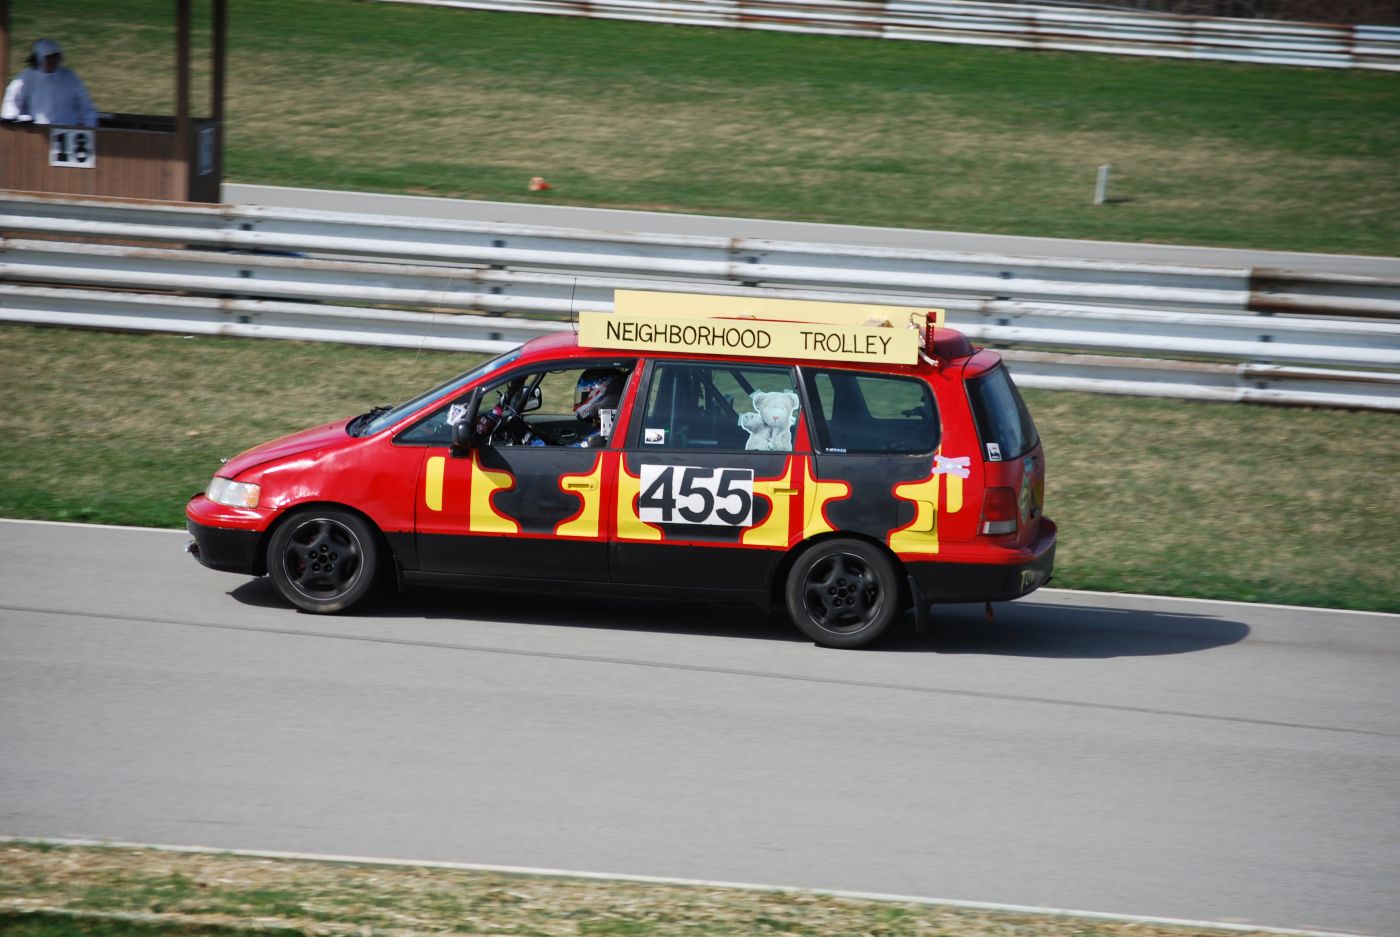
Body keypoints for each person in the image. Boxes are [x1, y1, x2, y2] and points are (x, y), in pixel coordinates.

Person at [1, 38, 97, 127]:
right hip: (37, 132)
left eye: (55, 56)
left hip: (67, 130)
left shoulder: (70, 77)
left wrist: (90, 128)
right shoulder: (27, 76)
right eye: (48, 57)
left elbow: (86, 106)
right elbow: (12, 100)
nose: (53, 61)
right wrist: (9, 122)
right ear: (39, 58)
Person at [569, 368, 628, 448]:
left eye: (584, 395)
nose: (581, 400)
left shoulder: (601, 437)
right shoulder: (613, 426)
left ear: (600, 393)